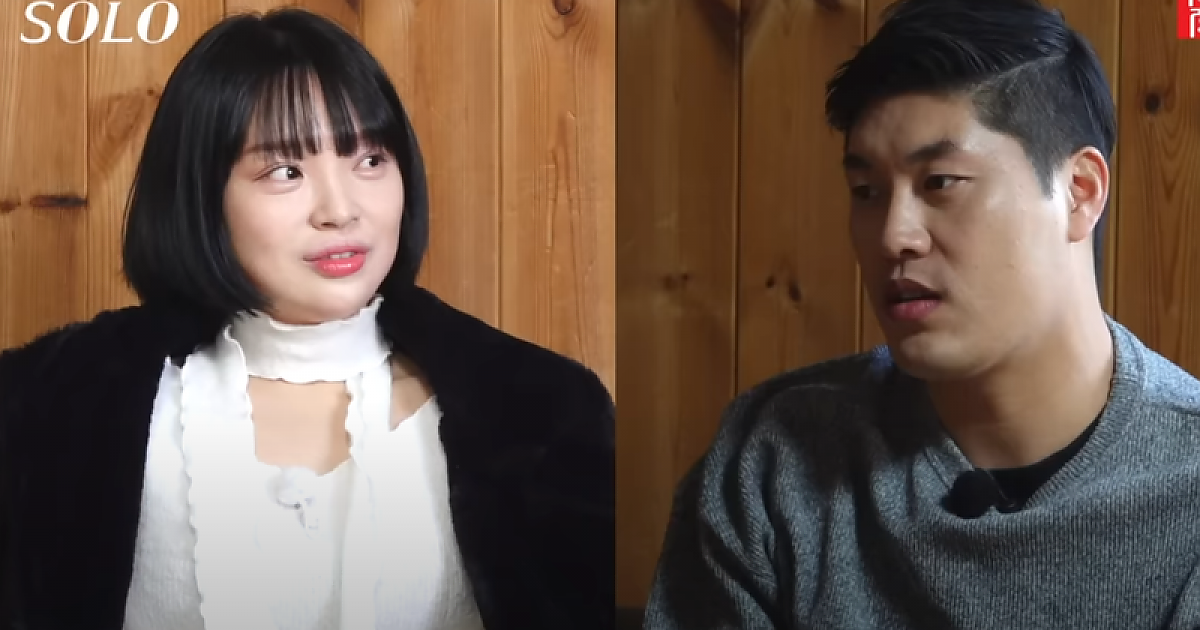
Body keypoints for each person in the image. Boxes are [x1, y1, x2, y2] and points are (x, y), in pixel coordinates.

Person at [0, 8, 613, 630]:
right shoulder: (53, 408)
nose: (341, 210)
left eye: (369, 160)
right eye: (285, 172)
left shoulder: (545, 411)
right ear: (201, 195)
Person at [643, 0, 1200, 628]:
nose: (893, 236)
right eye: (866, 192)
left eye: (940, 182)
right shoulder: (776, 456)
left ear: (1080, 192)